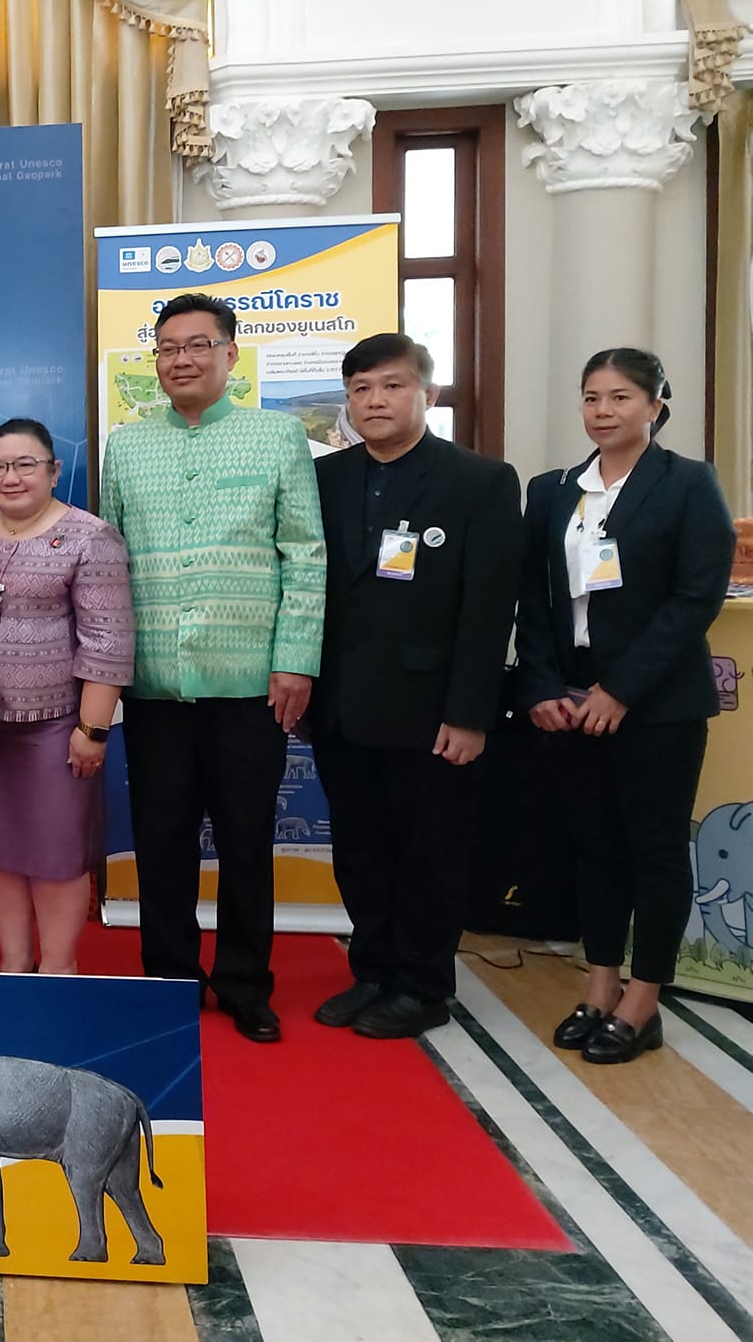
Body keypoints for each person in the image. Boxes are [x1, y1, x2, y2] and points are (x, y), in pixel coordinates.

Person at [98, 292, 325, 1043]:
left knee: (245, 840)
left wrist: (295, 660)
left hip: (250, 682)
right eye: (168, 348)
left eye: (198, 345)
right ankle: (169, 978)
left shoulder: (277, 436)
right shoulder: (128, 446)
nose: (182, 360)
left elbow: (305, 553)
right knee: (160, 839)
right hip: (155, 682)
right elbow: (108, 567)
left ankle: (245, 983)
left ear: (230, 354)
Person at [517, 348, 734, 1064]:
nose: (603, 411)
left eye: (619, 397)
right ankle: (600, 984)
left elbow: (695, 598)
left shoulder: (688, 483)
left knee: (655, 849)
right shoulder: (554, 490)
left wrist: (622, 690)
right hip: (572, 697)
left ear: (655, 405)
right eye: (591, 398)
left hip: (657, 700)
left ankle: (644, 1001)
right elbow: (535, 599)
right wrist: (543, 685)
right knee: (594, 846)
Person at [307, 335, 521, 1039]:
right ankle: (373, 971)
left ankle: (424, 987)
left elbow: (489, 608)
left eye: (392, 386)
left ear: (426, 393)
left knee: (430, 852)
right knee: (359, 850)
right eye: (361, 389)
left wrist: (471, 713)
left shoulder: (479, 481)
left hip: (432, 710)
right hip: (342, 706)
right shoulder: (326, 477)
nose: (375, 401)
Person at [0, 419, 133, 974]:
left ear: (54, 471)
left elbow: (108, 641)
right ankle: (14, 963)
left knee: (56, 854)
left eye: (25, 465)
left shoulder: (90, 536)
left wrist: (92, 731)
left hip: (57, 727)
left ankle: (58, 968)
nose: (10, 477)